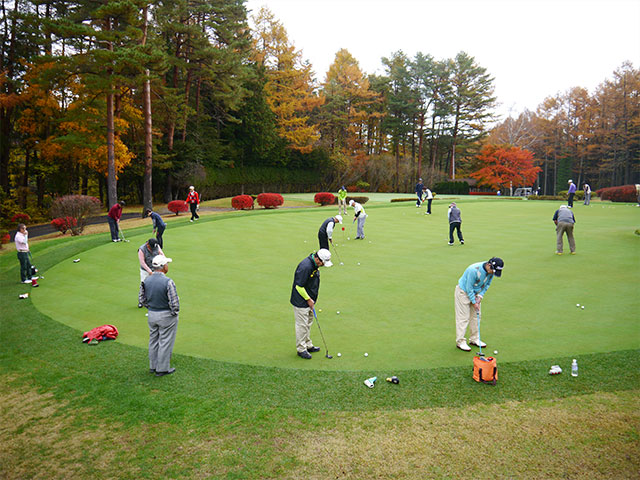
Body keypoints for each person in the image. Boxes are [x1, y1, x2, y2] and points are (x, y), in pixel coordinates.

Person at [139, 255, 179, 376]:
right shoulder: (168, 281)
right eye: (166, 264)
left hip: (152, 314)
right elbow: (174, 303)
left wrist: (151, 308)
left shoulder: (146, 280)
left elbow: (141, 299)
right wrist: (173, 313)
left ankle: (153, 366)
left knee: (153, 340)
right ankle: (162, 369)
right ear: (163, 267)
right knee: (165, 341)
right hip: (166, 315)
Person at [290, 249, 332, 359]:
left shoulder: (314, 264)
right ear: (317, 259)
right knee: (302, 325)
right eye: (322, 262)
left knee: (308, 323)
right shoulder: (305, 267)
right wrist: (308, 299)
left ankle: (308, 345)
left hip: (309, 300)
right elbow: (298, 286)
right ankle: (301, 349)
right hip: (301, 301)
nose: (322, 265)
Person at [455, 257, 504, 351]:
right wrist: (474, 302)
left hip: (477, 292)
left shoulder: (491, 272)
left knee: (476, 316)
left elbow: (487, 284)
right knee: (463, 317)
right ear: (489, 265)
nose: (493, 273)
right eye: (493, 270)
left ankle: (474, 339)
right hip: (463, 292)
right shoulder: (473, 270)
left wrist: (480, 297)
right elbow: (468, 288)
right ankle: (460, 341)